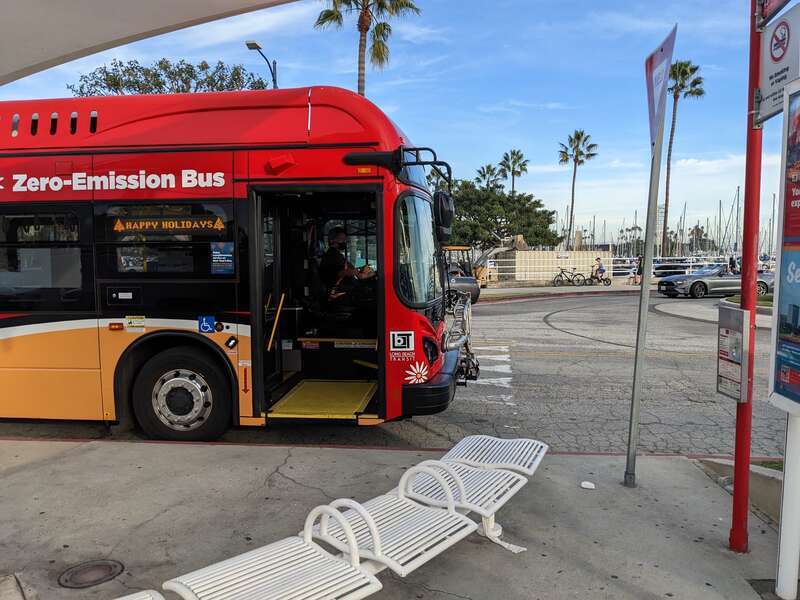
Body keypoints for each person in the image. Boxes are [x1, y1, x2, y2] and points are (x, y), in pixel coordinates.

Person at [319, 226, 375, 298]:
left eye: (345, 239)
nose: (344, 242)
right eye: (341, 239)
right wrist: (360, 272)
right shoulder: (332, 255)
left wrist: (361, 270)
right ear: (332, 240)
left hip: (345, 288)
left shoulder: (338, 255)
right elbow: (342, 272)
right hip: (338, 292)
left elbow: (349, 268)